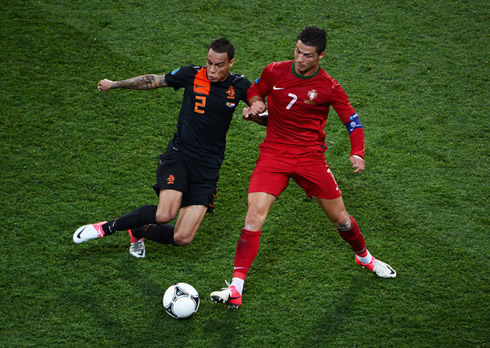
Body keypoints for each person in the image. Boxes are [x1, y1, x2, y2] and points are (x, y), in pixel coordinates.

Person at [210, 26, 396, 309]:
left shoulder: (328, 87)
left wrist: (357, 152)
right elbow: (255, 92)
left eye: (307, 55)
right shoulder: (275, 71)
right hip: (273, 154)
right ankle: (236, 288)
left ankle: (364, 257)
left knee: (341, 220)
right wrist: (255, 104)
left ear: (320, 55)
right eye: (297, 51)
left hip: (310, 158)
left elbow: (352, 122)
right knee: (253, 218)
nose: (299, 59)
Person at [73, 38, 252, 258]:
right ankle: (106, 228)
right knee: (166, 213)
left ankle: (139, 229)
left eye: (219, 65)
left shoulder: (240, 85)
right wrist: (115, 83)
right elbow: (153, 81)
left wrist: (254, 113)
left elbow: (263, 109)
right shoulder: (192, 74)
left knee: (183, 237)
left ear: (231, 63)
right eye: (209, 63)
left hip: (208, 168)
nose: (212, 70)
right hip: (180, 156)